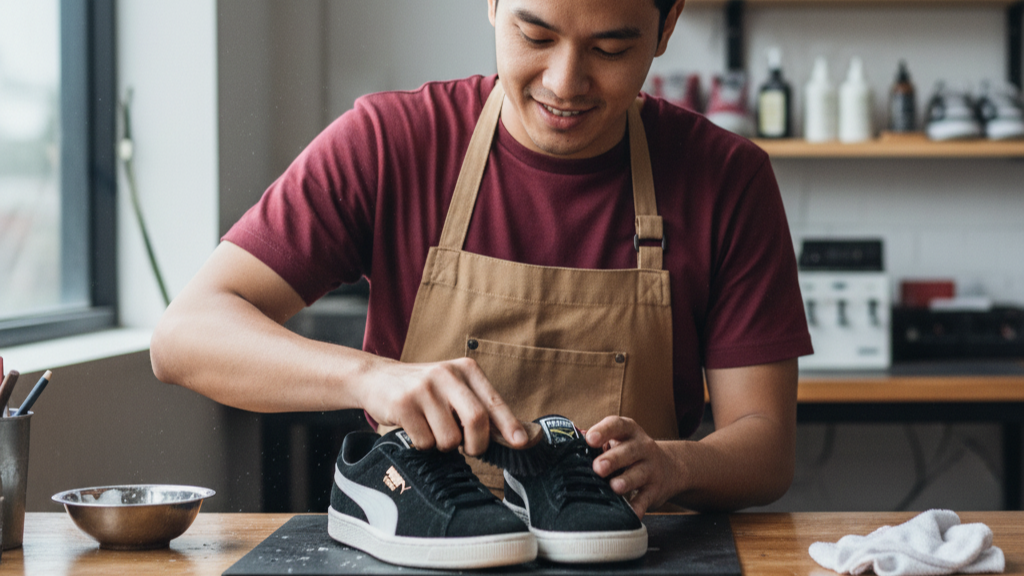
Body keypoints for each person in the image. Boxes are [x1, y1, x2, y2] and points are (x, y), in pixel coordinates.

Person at [151, 0, 812, 516]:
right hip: (424, 542)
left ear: (667, 26)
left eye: (611, 48)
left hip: (631, 547)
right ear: (493, 5)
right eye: (536, 35)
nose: (566, 82)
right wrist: (370, 378)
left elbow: (765, 445)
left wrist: (676, 467)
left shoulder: (727, 178)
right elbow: (185, 337)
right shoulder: (391, 143)